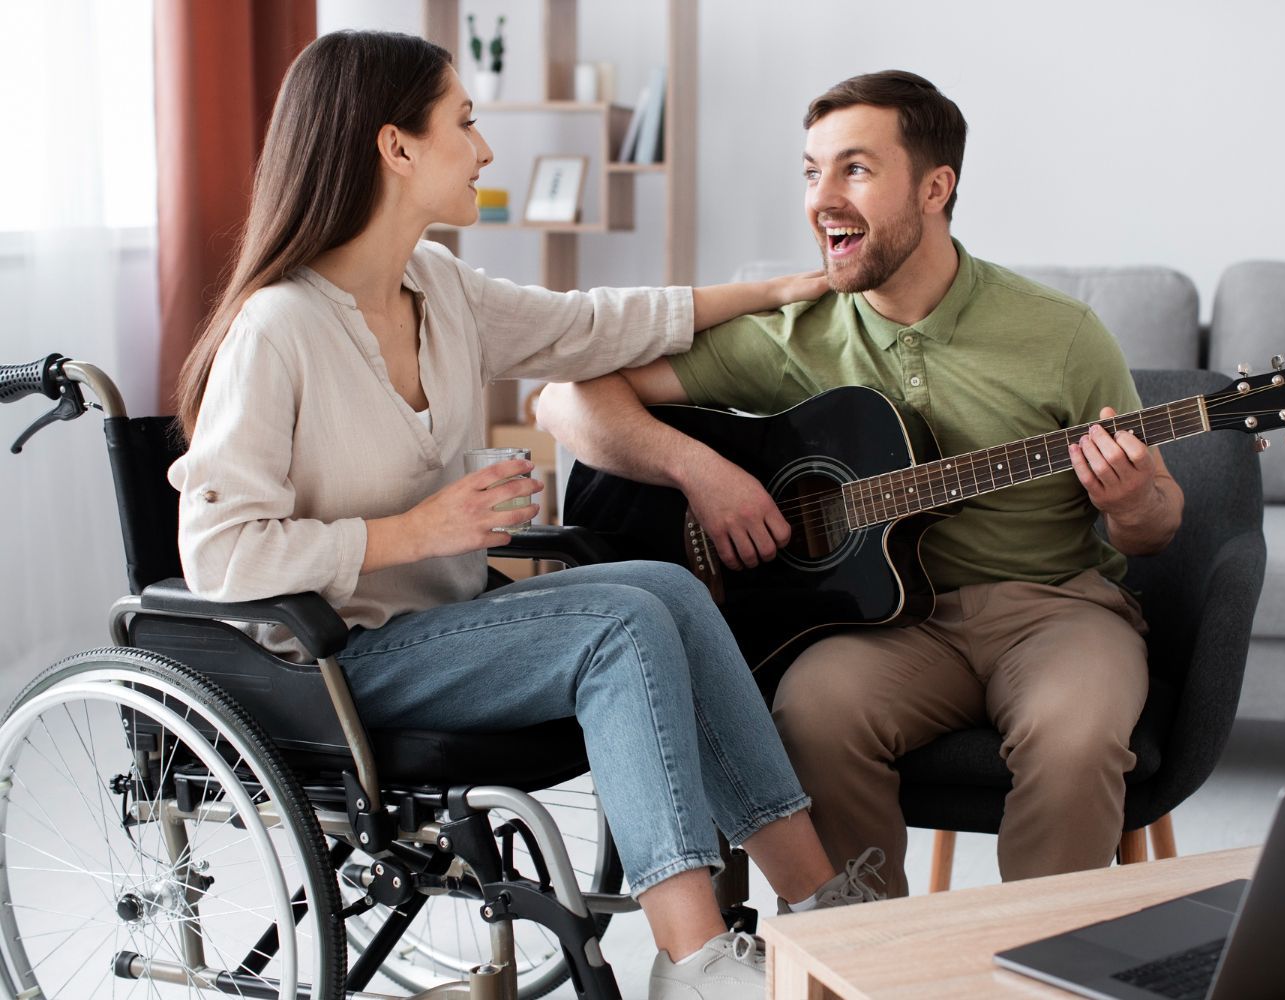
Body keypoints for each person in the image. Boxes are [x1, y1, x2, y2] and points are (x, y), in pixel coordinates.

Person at [169, 31, 880, 1000]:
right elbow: (216, 553)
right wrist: (416, 532)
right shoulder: (279, 327)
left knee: (668, 588)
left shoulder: (439, 288)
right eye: (464, 121)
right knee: (622, 623)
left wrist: (779, 287)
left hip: (445, 633)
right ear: (396, 147)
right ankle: (695, 959)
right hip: (333, 663)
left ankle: (822, 908)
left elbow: (594, 324)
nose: (486, 147)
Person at [537, 70, 1185, 897]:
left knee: (1076, 736)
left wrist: (1131, 502)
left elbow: (1156, 526)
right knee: (809, 716)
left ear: (934, 188)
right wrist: (702, 474)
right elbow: (566, 395)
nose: (822, 198)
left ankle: (1036, 970)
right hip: (887, 627)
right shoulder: (795, 336)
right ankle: (860, 963)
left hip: (1055, 609)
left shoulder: (1061, 334)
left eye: (855, 169)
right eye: (812, 171)